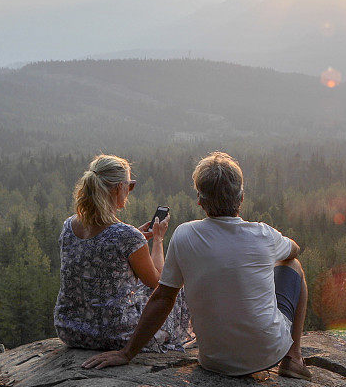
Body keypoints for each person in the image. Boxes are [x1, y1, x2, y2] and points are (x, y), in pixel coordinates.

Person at [82, 151, 312, 380]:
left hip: (214, 360)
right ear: (241, 198)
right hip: (268, 354)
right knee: (294, 266)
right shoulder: (264, 234)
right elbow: (294, 249)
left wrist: (127, 353)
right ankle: (293, 357)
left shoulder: (185, 235)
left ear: (200, 201)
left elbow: (163, 298)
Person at [54, 154, 194, 352]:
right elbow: (157, 283)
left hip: (70, 331)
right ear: (119, 187)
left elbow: (97, 256)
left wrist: (135, 242)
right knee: (174, 288)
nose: (129, 191)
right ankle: (173, 337)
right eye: (130, 185)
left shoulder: (69, 226)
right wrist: (158, 239)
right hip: (114, 335)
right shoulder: (126, 236)